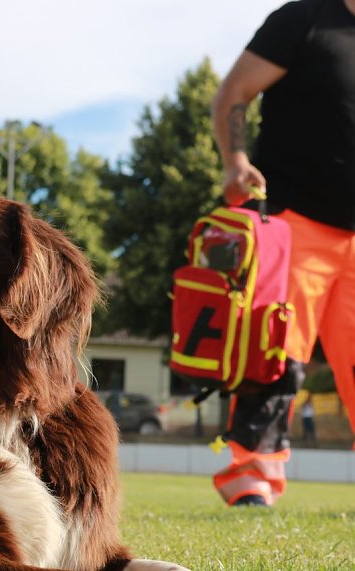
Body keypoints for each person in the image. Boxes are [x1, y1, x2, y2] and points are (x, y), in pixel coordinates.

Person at [211, 0, 355, 506]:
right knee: (276, 353)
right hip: (295, 226)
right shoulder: (304, 19)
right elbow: (234, 92)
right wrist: (235, 160)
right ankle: (253, 479)